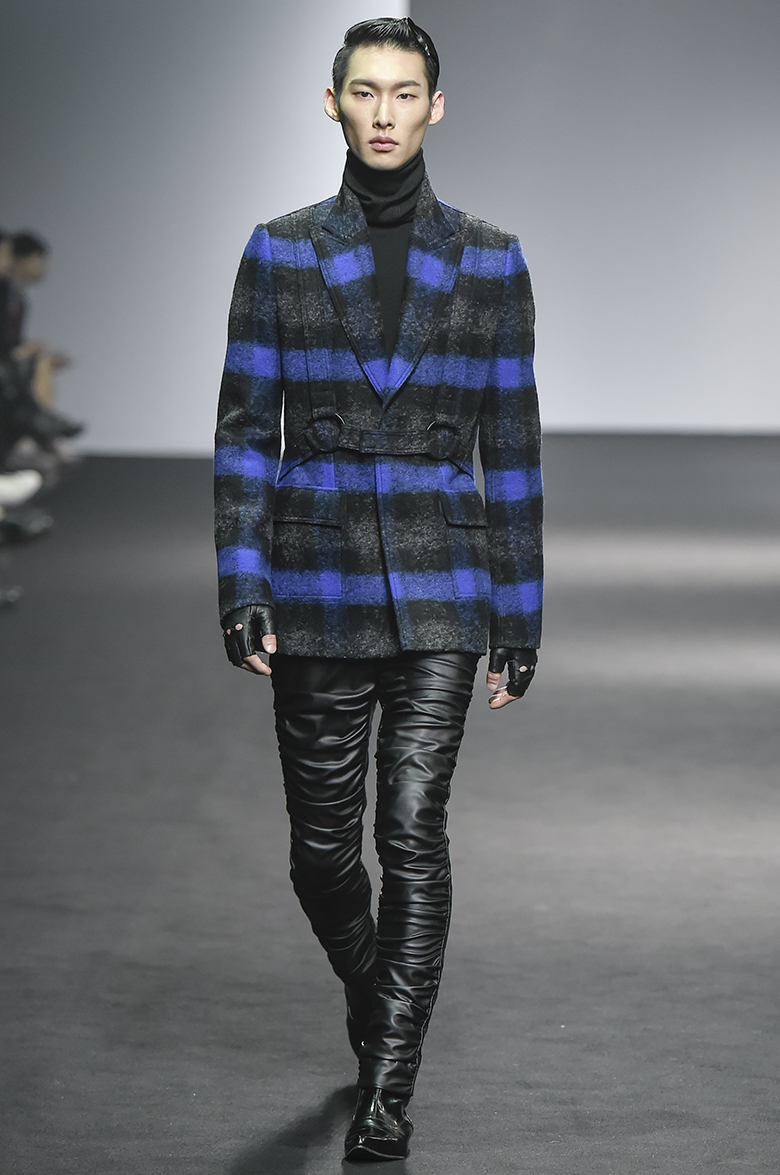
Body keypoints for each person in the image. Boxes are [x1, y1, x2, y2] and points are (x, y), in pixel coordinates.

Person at [214, 16, 542, 1162]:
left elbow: (512, 443)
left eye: (406, 92)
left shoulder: (491, 258)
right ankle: (377, 994)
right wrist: (241, 580)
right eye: (366, 91)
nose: (386, 112)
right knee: (320, 853)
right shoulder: (279, 250)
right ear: (333, 102)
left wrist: (519, 613)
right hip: (317, 574)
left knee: (412, 825)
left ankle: (390, 1076)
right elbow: (246, 432)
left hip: (444, 579)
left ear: (435, 106)